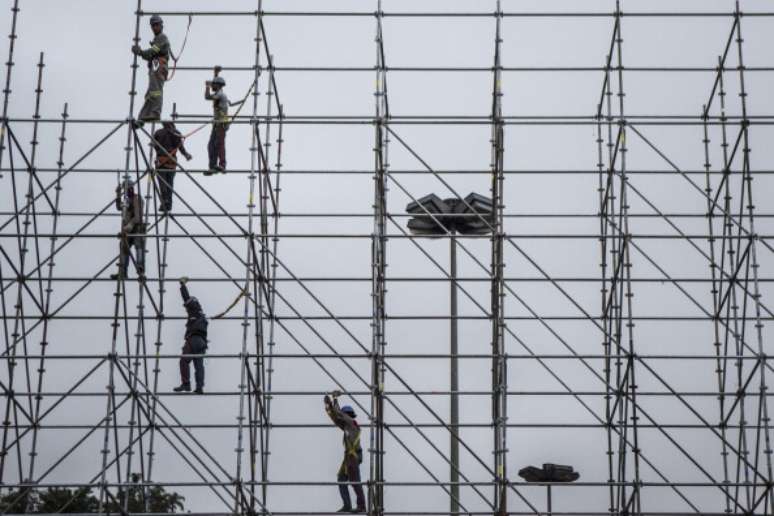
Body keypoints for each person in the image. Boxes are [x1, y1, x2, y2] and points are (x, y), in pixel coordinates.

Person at [324, 390, 365, 513]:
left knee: (355, 481)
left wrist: (334, 399)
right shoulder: (347, 426)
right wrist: (328, 406)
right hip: (349, 456)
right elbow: (336, 418)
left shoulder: (351, 423)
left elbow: (339, 414)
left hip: (353, 456)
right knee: (341, 478)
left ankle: (361, 506)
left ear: (347, 415)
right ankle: (347, 505)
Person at [132, 15, 170, 123]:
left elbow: (151, 52)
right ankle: (143, 116)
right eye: (153, 25)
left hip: (159, 66)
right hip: (155, 66)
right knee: (150, 93)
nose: (154, 27)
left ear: (161, 26)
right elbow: (150, 55)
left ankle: (155, 113)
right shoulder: (157, 39)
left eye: (156, 25)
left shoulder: (162, 38)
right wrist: (142, 53)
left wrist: (140, 52)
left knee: (156, 91)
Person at [174, 277, 208, 394]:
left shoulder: (194, 308)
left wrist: (183, 285)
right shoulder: (201, 315)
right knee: (199, 365)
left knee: (184, 361)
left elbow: (186, 298)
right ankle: (199, 387)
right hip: (202, 343)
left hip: (193, 339)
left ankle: (186, 384)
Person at [153, 121, 191, 212]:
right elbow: (180, 147)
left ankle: (165, 202)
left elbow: (155, 145)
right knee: (170, 184)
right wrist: (186, 155)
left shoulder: (158, 132)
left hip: (161, 161)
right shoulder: (176, 133)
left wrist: (160, 150)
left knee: (163, 183)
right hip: (171, 162)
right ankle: (168, 204)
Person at [111, 183, 145, 280]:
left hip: (137, 227)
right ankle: (123, 272)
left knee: (138, 246)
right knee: (124, 247)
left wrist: (131, 224)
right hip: (127, 229)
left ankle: (140, 267)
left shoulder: (137, 199)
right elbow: (119, 207)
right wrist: (118, 194)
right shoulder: (127, 200)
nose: (126, 191)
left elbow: (138, 216)